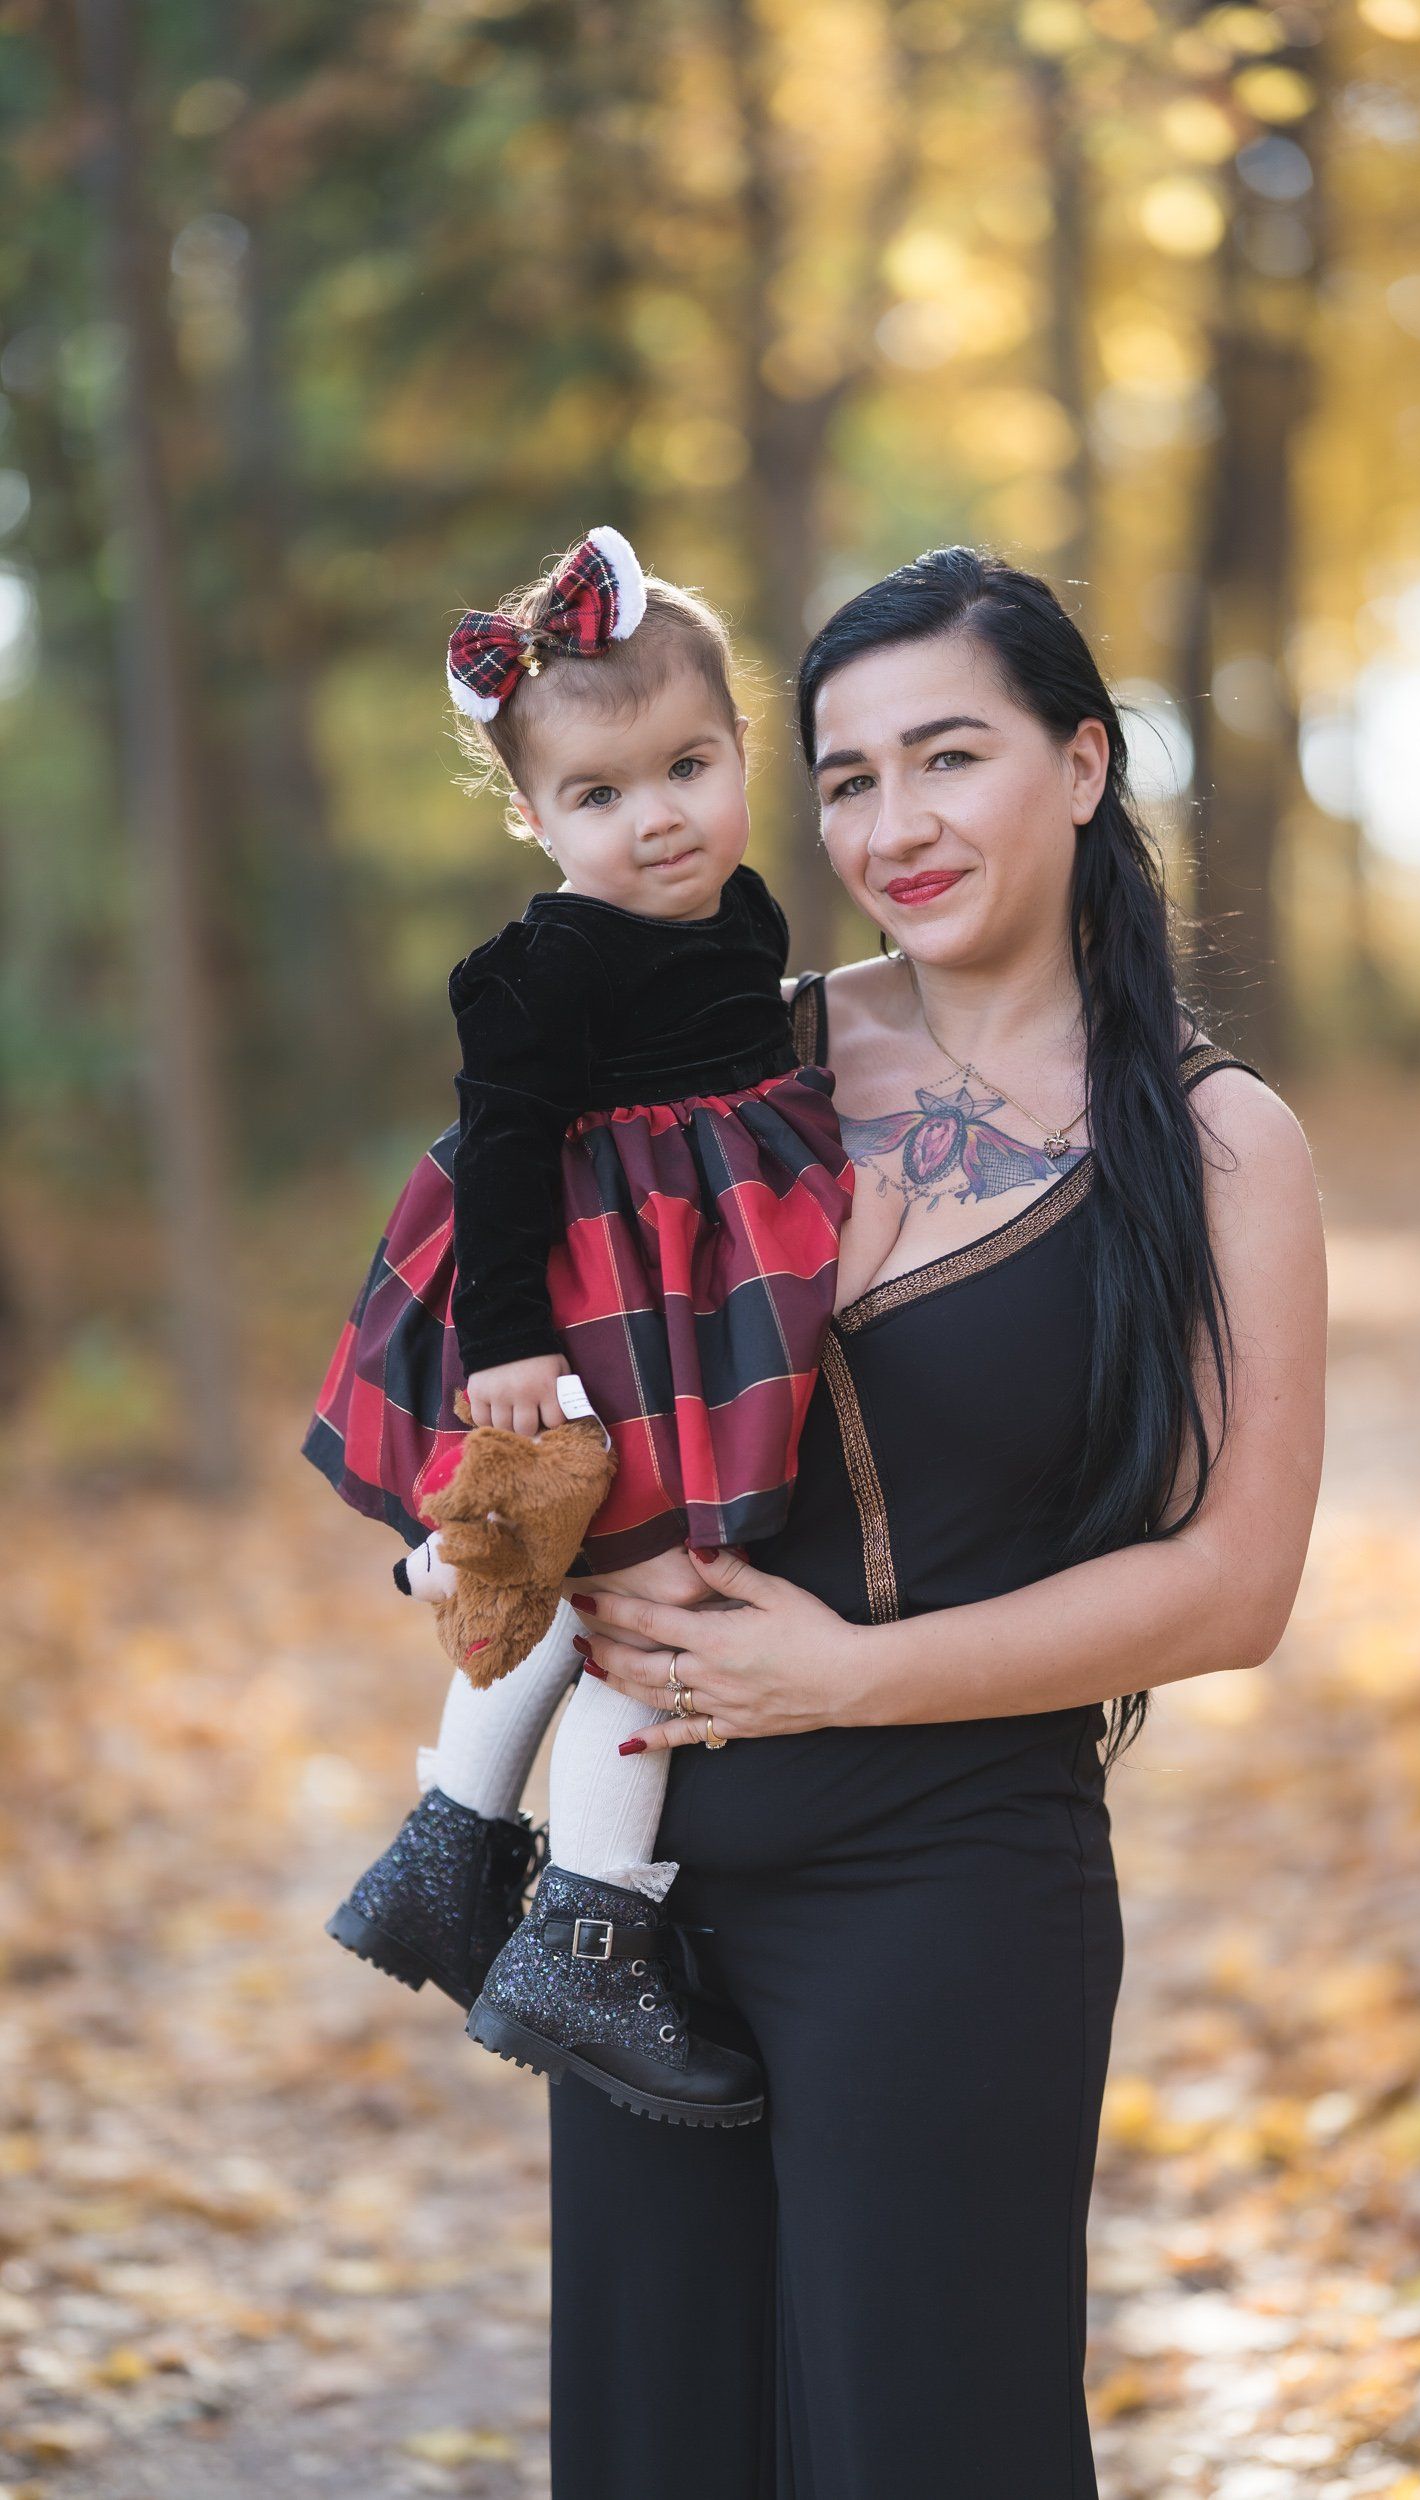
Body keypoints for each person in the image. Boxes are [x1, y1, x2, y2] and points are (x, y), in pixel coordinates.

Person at [541, 546, 1328, 2498]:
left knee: (925, 2450)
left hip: (954, 1882)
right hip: (635, 1898)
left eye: (948, 756)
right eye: (847, 775)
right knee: (656, 2448)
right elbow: (519, 1337)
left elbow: (1234, 1585)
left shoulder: (1224, 1142)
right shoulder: (729, 1047)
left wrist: (850, 1673)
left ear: (1080, 762)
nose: (893, 824)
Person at [303, 526, 854, 2127]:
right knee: (624, 1573)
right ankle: (573, 1918)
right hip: (591, 1304)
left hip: (701, 1296)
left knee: (627, 1576)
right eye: (599, 797)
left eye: (687, 766)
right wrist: (505, 1348)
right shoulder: (544, 969)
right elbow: (498, 1153)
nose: (655, 818)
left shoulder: (744, 919)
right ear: (536, 819)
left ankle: (459, 1856)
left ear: (743, 754)